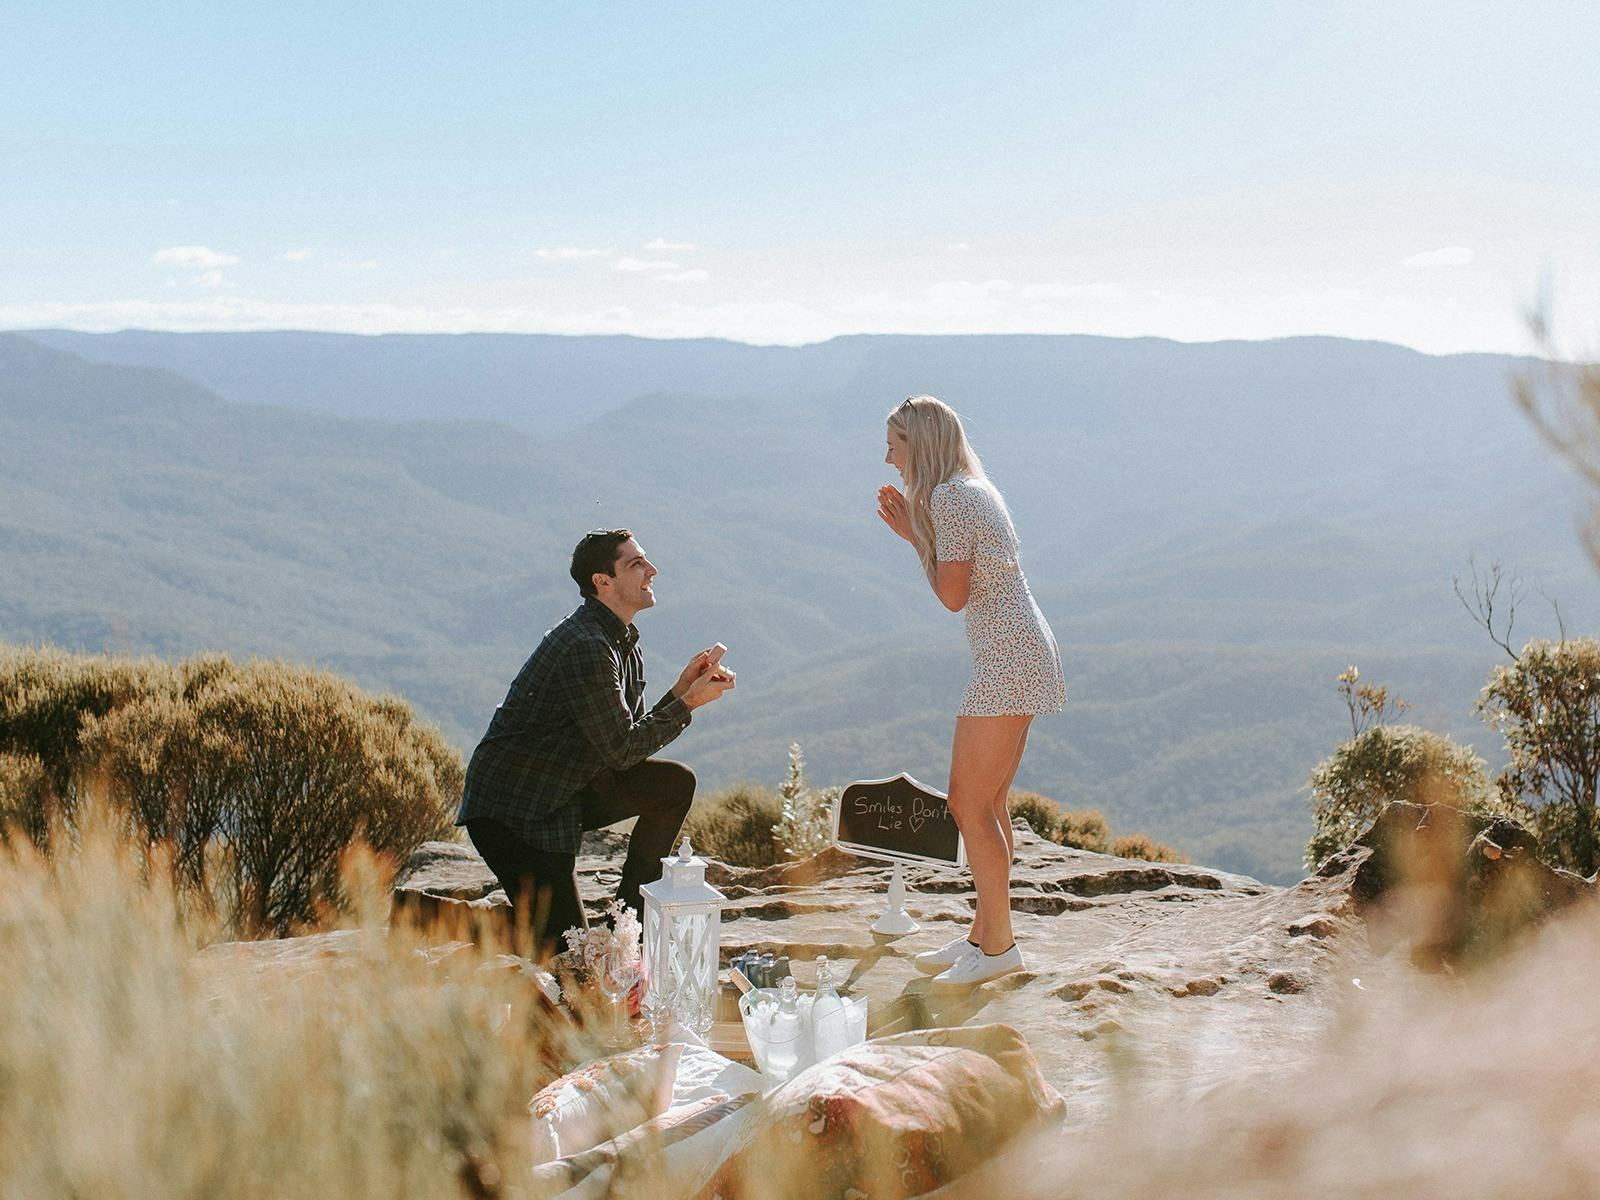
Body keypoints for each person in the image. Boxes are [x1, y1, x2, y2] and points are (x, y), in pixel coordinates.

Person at [456, 528, 734, 960]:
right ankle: (429, 917)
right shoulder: (586, 645)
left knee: (673, 784)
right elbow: (622, 750)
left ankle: (626, 925)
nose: (652, 570)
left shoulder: (620, 640)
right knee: (567, 954)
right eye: (636, 563)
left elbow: (623, 737)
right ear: (602, 582)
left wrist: (681, 691)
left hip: (560, 796)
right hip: (513, 814)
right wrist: (690, 703)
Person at [876, 396, 1065, 989]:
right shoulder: (971, 488)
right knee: (989, 803)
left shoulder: (950, 498)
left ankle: (999, 947)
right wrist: (918, 531)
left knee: (967, 804)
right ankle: (984, 936)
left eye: (894, 446)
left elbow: (953, 596)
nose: (889, 458)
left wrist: (915, 538)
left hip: (1008, 657)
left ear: (921, 445)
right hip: (1021, 650)